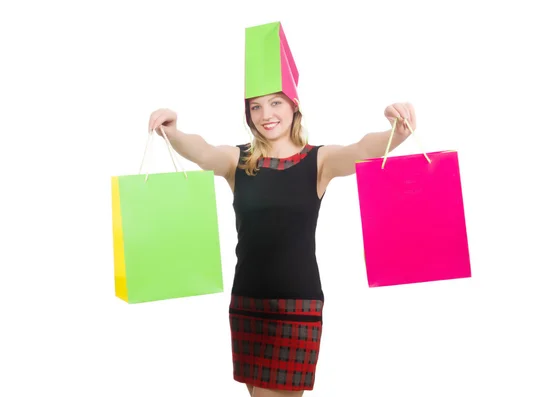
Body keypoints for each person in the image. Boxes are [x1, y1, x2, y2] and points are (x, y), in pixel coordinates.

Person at [146, 22, 416, 397]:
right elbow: (203, 150)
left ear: (293, 105)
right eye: (255, 106)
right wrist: (173, 132)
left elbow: (362, 149)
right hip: (248, 301)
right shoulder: (237, 161)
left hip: (297, 305)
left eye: (274, 102)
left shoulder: (319, 162)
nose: (265, 114)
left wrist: (396, 132)